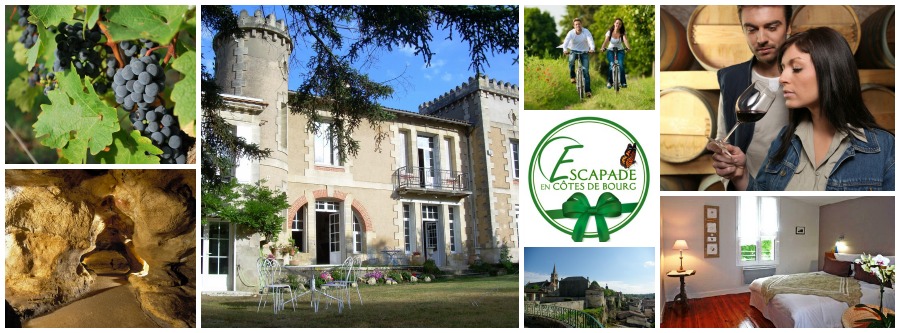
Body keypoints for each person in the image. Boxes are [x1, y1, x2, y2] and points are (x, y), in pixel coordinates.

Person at [710, 27, 895, 191]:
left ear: (830, 71)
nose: (782, 78)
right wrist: (740, 176)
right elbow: (763, 194)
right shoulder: (785, 139)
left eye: (796, 68)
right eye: (782, 68)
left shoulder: (885, 148)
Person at [710, 6, 792, 186]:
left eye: (771, 27)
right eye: (752, 29)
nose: (761, 39)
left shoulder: (809, 79)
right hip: (749, 185)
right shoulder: (730, 78)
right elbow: (724, 136)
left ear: (789, 27)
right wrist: (730, 173)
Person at [562, 18, 595, 98]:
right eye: (576, 24)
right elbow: (566, 42)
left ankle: (588, 91)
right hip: (574, 51)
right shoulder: (571, 33)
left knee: (586, 71)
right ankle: (572, 77)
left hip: (584, 52)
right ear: (574, 26)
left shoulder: (586, 32)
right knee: (571, 61)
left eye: (579, 24)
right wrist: (565, 50)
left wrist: (592, 48)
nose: (578, 26)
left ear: (581, 24)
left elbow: (590, 40)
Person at [599, 18, 631, 89]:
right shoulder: (609, 32)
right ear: (614, 23)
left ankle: (623, 82)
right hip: (610, 50)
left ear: (621, 25)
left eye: (620, 24)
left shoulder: (623, 32)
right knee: (611, 64)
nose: (618, 25)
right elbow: (606, 41)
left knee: (621, 64)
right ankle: (610, 82)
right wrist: (602, 47)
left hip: (620, 50)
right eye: (617, 23)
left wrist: (628, 47)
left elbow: (625, 40)